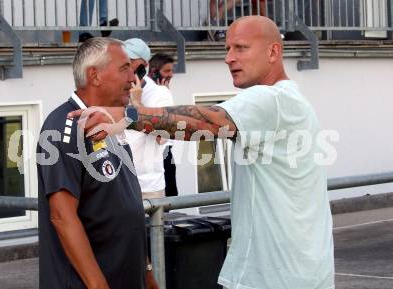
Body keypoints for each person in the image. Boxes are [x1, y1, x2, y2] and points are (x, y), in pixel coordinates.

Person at [69, 16, 335, 289]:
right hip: (296, 273)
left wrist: (125, 116)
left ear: (273, 52)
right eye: (227, 49)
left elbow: (208, 122)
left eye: (241, 48)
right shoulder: (285, 101)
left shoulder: (272, 100)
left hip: (278, 278)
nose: (229, 58)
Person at [37, 37, 158, 289]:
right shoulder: (63, 127)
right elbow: (62, 215)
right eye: (124, 68)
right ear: (94, 75)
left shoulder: (109, 124)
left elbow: (128, 205)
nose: (132, 78)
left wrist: (146, 273)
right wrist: (97, 285)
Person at [123, 39, 174, 199]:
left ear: (142, 66)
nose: (125, 66)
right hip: (119, 183)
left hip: (147, 186)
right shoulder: (117, 91)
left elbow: (161, 138)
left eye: (130, 61)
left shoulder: (161, 94)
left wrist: (137, 104)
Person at [148, 53, 178, 197]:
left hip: (159, 153)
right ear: (153, 72)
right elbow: (163, 135)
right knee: (169, 198)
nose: (171, 75)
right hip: (161, 153)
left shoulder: (148, 90)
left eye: (172, 71)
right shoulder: (161, 93)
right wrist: (166, 93)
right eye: (167, 71)